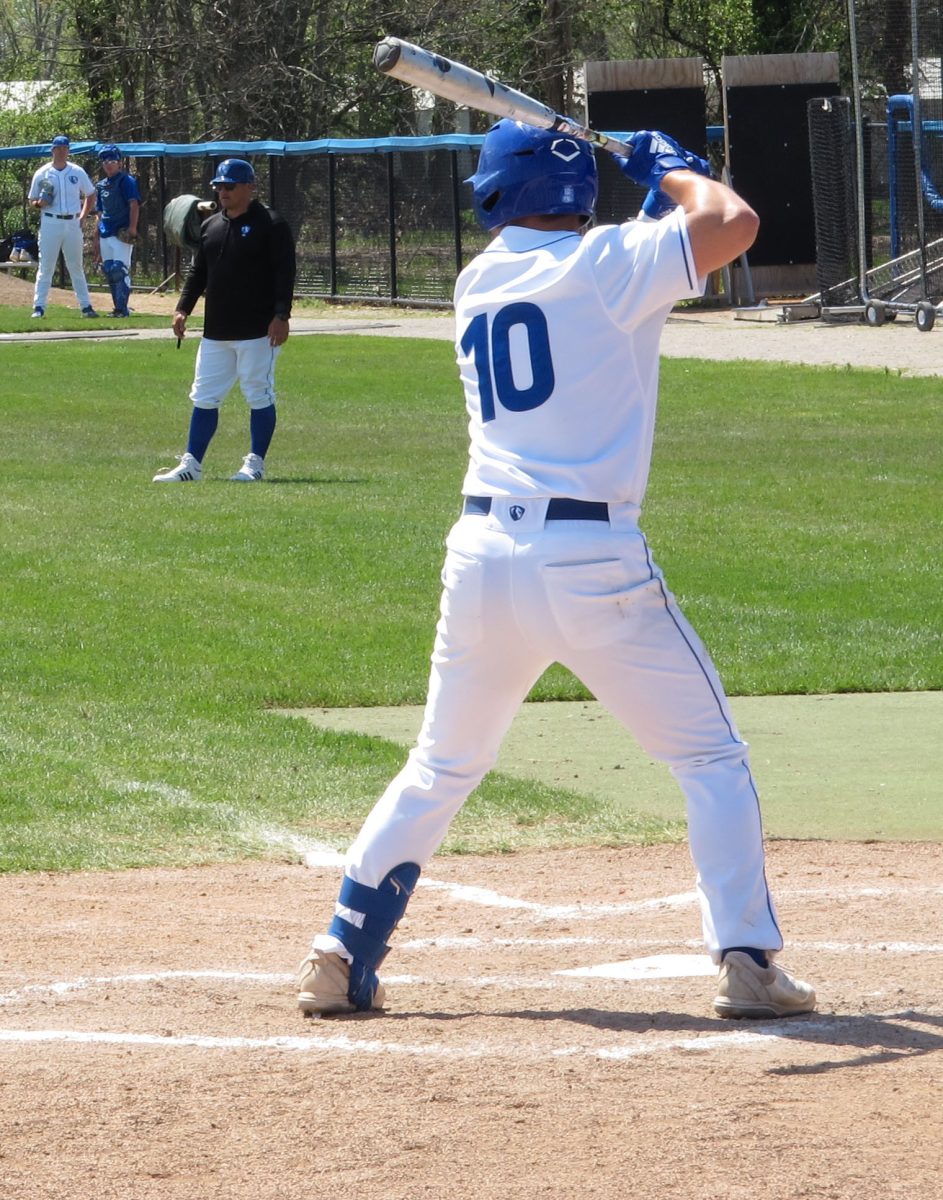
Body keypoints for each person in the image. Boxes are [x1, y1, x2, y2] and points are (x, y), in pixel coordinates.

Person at [296, 121, 817, 1023]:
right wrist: (678, 170)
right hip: (591, 560)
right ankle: (744, 959)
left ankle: (341, 951)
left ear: (494, 191)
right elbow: (731, 223)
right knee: (709, 757)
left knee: (441, 762)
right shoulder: (609, 264)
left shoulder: (480, 279)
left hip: (481, 559)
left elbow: (643, 253)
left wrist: (659, 188)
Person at [152, 158, 295, 483]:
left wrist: (281, 315)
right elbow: (198, 272)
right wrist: (182, 308)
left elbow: (284, 273)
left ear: (249, 187)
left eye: (230, 186)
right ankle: (192, 465)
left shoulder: (271, 224)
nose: (223, 191)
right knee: (204, 396)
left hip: (258, 330)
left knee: (258, 393)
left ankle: (255, 464)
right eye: (219, 186)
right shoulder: (211, 225)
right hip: (216, 330)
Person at [27, 134, 99, 318]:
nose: (61, 151)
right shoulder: (42, 172)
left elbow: (90, 194)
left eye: (64, 148)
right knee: (46, 266)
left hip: (72, 222)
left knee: (76, 266)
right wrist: (39, 204)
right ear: (53, 150)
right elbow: (31, 199)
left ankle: (86, 306)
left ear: (68, 150)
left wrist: (83, 216)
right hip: (50, 220)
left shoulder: (76, 171)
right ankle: (39, 307)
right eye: (58, 148)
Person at [93, 144, 141, 318]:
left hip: (121, 232)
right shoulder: (101, 186)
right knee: (108, 269)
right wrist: (96, 234)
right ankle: (117, 308)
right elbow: (99, 212)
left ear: (119, 162)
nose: (108, 164)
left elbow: (134, 204)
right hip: (106, 231)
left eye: (112, 160)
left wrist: (133, 228)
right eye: (105, 161)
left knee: (119, 269)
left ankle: (123, 308)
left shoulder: (126, 181)